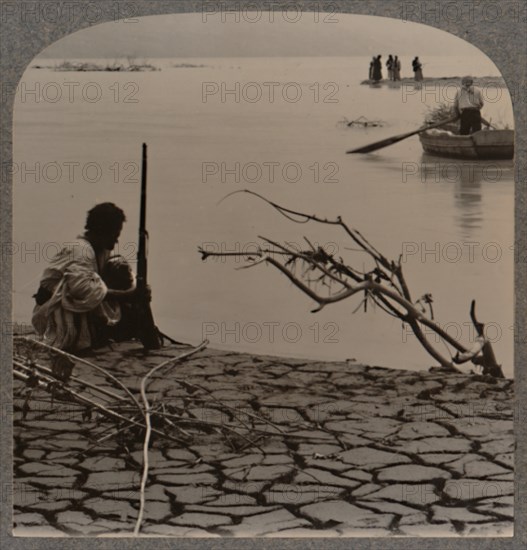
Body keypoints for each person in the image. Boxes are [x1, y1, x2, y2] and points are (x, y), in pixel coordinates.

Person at [32, 202, 137, 352]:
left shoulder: (100, 249)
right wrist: (126, 295)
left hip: (74, 304)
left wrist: (133, 283)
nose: (116, 241)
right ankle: (77, 342)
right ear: (102, 232)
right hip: (53, 312)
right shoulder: (81, 251)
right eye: (114, 236)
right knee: (91, 294)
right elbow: (83, 291)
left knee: (120, 269)